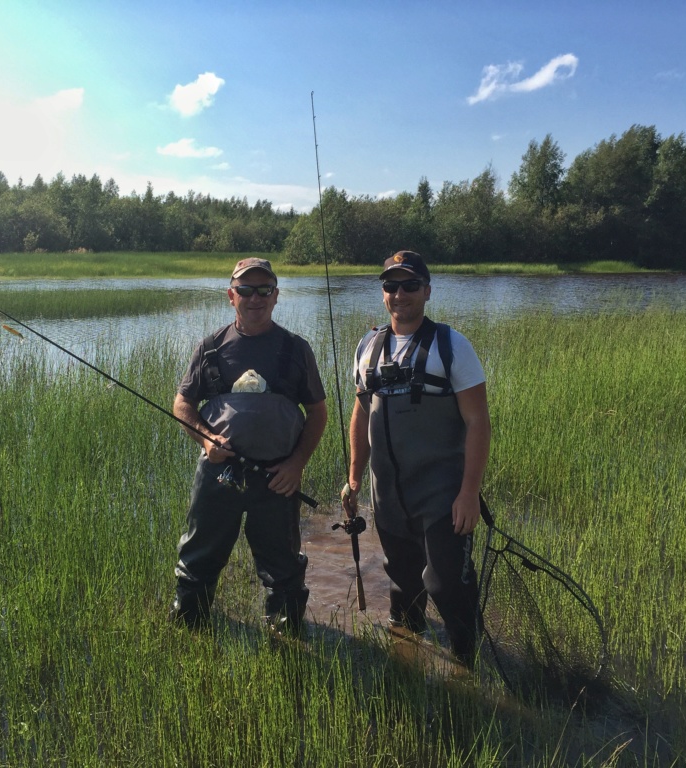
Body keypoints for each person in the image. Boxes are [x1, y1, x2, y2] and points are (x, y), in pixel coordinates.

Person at [342, 250, 491, 662]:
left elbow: (478, 423)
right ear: (383, 294)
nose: (399, 294)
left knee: (447, 586)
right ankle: (407, 659)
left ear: (427, 291)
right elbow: (360, 411)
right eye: (391, 286)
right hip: (387, 495)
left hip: (443, 496)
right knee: (403, 587)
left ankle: (467, 666)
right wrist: (354, 478)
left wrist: (469, 493)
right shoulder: (368, 346)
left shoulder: (452, 345)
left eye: (410, 285)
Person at [170, 257, 328, 637]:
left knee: (283, 566)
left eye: (264, 290)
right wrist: (207, 440)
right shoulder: (210, 348)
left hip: (277, 478)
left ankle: (286, 639)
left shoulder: (296, 348)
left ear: (276, 296)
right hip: (219, 475)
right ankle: (190, 628)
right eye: (245, 290)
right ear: (231, 295)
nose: (254, 298)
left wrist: (296, 465)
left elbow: (318, 413)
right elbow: (183, 405)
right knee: (199, 557)